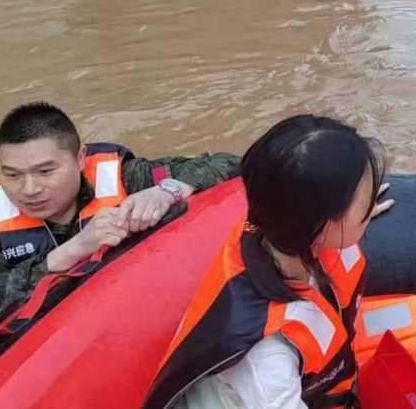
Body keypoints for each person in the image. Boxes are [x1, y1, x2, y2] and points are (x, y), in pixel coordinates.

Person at [144, 115, 391, 409]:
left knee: (413, 318)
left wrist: (347, 224)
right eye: (363, 203)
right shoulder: (268, 360)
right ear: (323, 224)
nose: (368, 205)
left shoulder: (273, 231)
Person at [0, 102, 241, 341]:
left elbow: (229, 164)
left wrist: (167, 191)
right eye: (12, 174)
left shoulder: (125, 177)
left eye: (45, 172)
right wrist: (73, 250)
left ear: (81, 158)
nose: (29, 189)